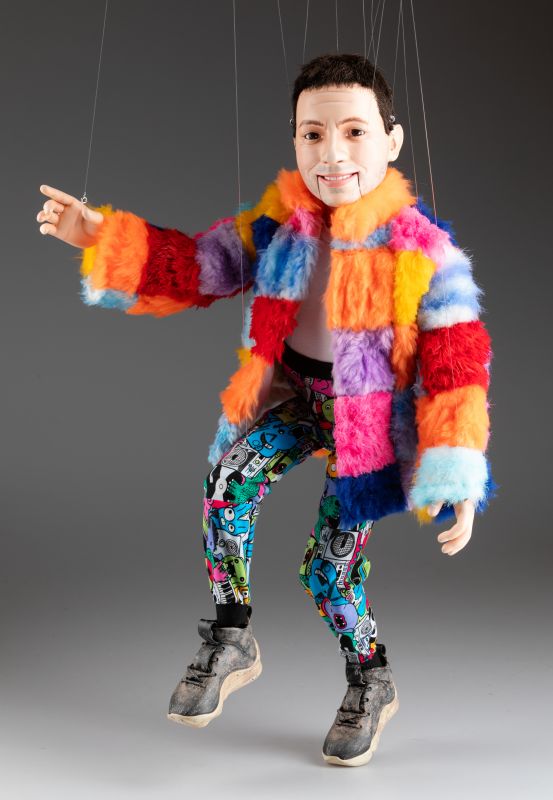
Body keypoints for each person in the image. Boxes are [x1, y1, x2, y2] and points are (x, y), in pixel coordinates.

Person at [36, 53, 495, 767]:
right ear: (294, 140)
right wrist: (102, 236)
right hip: (295, 400)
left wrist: (456, 475)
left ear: (391, 139)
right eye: (312, 134)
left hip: (366, 430)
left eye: (353, 131)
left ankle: (370, 676)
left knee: (329, 571)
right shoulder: (281, 222)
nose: (332, 153)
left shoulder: (423, 251)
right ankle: (231, 633)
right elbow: (198, 265)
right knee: (224, 488)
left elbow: (455, 365)